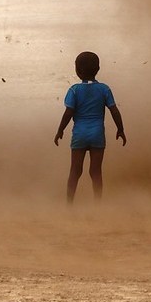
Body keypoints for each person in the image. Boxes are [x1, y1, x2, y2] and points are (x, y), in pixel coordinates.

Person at [54, 51, 126, 204]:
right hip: (97, 134)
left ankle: (69, 205)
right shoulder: (104, 89)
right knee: (95, 172)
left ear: (77, 71)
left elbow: (68, 113)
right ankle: (97, 204)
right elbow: (114, 110)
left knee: (75, 171)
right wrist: (121, 129)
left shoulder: (74, 90)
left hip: (79, 134)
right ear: (98, 69)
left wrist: (60, 130)